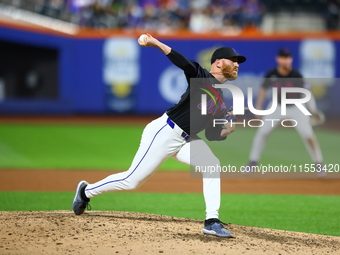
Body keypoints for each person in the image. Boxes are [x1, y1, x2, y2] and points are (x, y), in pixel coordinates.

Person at [72, 33, 247, 237]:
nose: (236, 65)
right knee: (132, 181)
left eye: (238, 62)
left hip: (186, 139)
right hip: (165, 131)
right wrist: (155, 42)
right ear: (218, 63)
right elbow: (181, 61)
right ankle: (85, 191)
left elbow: (213, 133)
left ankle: (211, 221)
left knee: (212, 164)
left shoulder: (222, 99)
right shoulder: (201, 76)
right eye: (233, 60)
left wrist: (228, 128)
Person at [247, 48, 325, 176]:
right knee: (262, 132)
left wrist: (313, 110)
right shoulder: (272, 74)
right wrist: (258, 106)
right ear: (278, 59)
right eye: (283, 57)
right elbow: (263, 90)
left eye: (288, 57)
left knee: (309, 135)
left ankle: (319, 164)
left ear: (291, 59)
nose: (285, 60)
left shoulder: (296, 75)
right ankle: (252, 162)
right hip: (277, 106)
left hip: (297, 106)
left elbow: (307, 93)